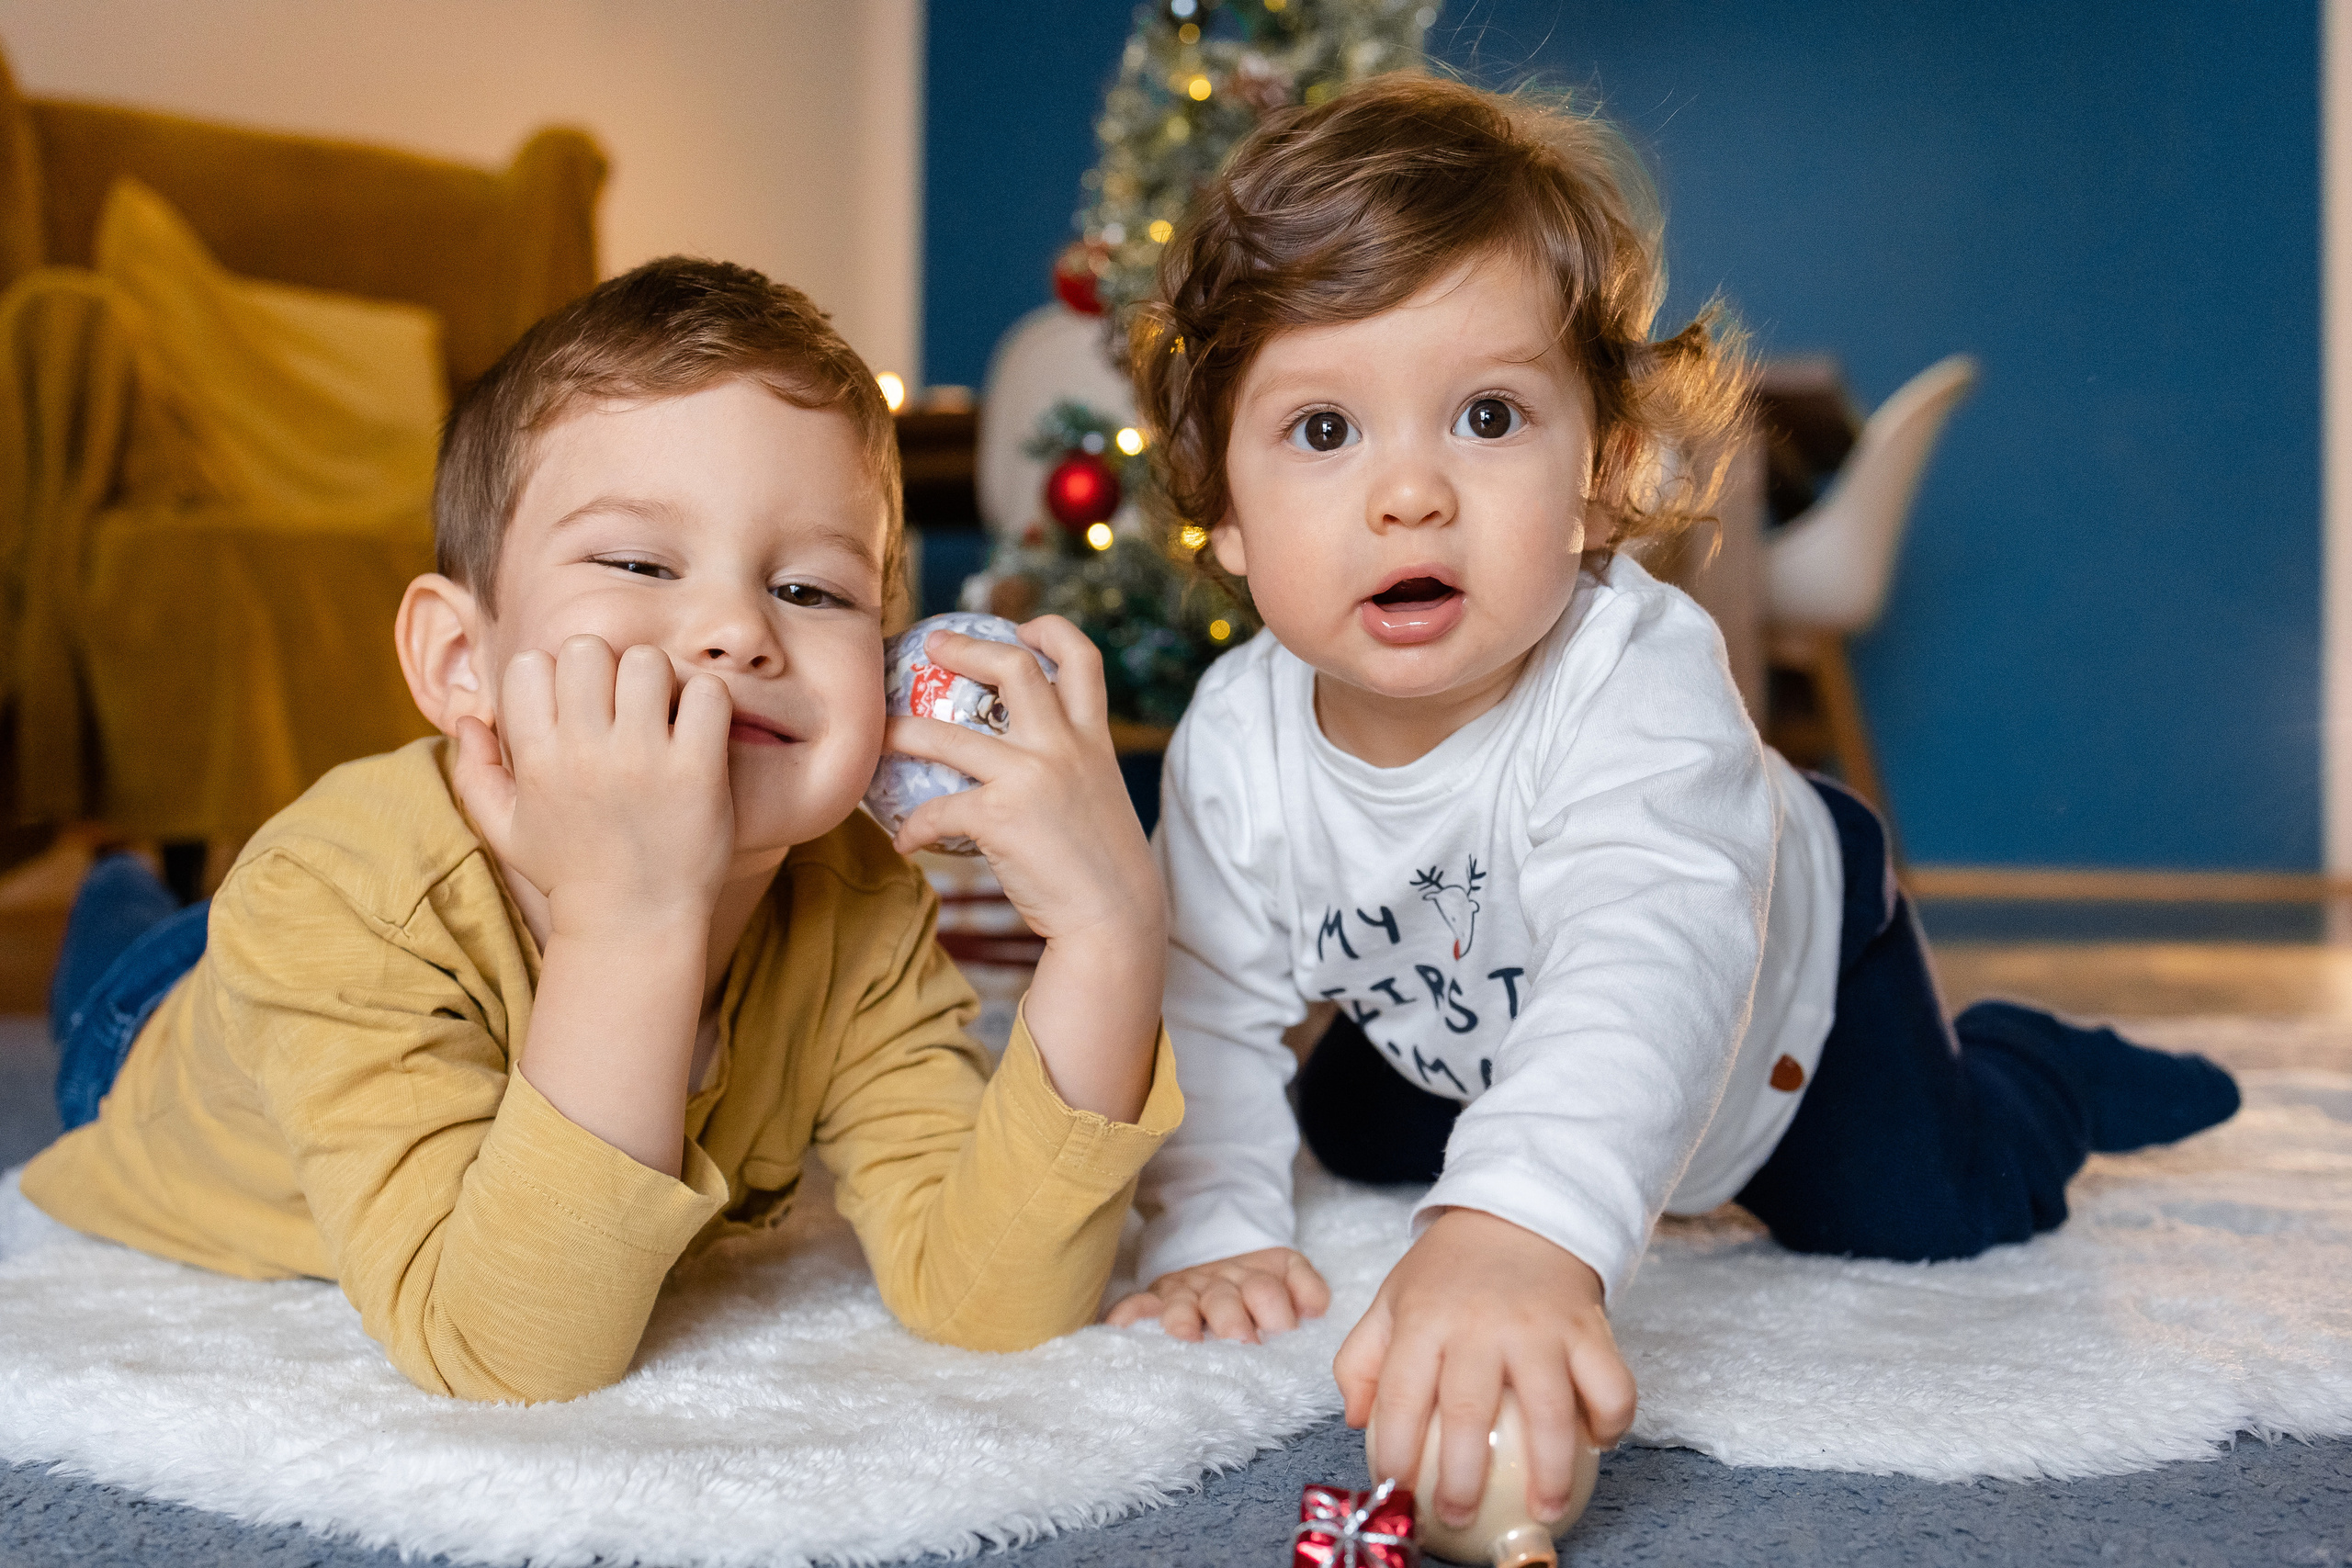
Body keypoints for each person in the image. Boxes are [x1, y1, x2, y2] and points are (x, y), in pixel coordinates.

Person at [1107, 74, 2240, 1534]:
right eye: (1323, 430)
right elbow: (1208, 994)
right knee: (1359, 1131)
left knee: (1925, 1208)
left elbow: (1648, 953)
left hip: (1780, 988)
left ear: (1599, 474)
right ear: (1224, 507)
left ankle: (2039, 1067)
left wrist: (1522, 1226)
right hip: (1471, 998)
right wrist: (1214, 1224)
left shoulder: (1633, 670)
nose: (1410, 494)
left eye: (1488, 415)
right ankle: (1466, 1116)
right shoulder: (1235, 737)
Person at [24, 257, 1179, 1404]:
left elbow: (990, 1303)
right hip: (157, 1042)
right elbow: (506, 1356)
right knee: (132, 953)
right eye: (638, 563)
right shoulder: (331, 898)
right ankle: (118, 894)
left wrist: (1109, 937)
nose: (735, 629)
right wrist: (633, 919)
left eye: (811, 592)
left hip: (291, 952)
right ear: (461, 660)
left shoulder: (856, 899)